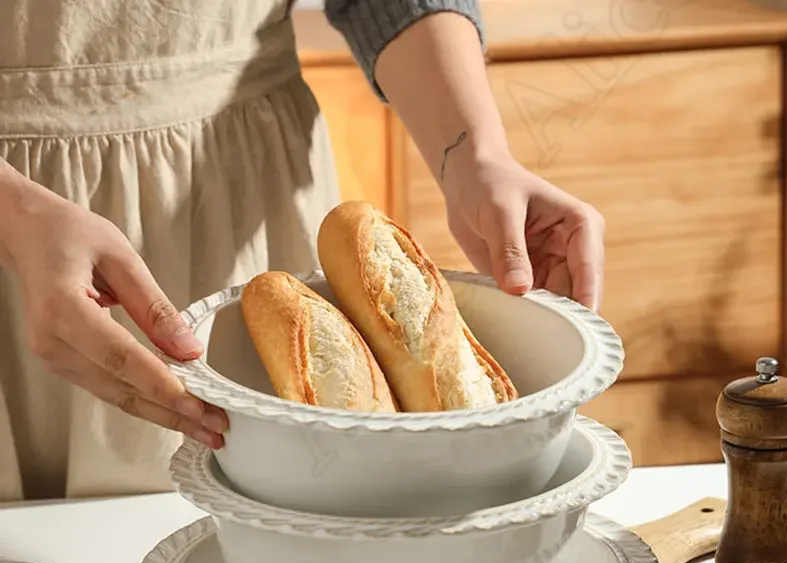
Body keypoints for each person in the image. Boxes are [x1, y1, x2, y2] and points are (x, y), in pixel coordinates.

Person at [0, 0, 605, 503]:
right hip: (18, 201)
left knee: (300, 508)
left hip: (236, 172)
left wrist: (471, 152)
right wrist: (16, 211)